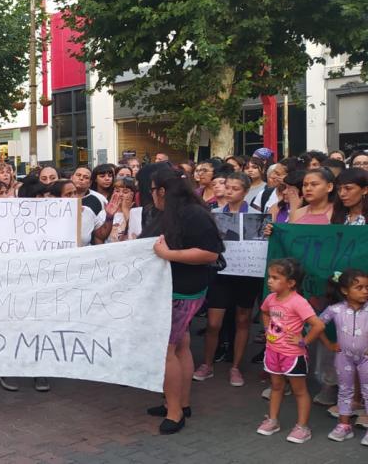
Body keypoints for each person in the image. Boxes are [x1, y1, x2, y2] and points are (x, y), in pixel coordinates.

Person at [143, 168, 224, 435]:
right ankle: (181, 402)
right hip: (173, 289)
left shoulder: (193, 214)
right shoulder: (172, 212)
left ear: (162, 191)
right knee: (181, 345)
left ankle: (175, 412)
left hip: (182, 291)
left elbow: (210, 253)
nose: (151, 195)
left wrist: (169, 254)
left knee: (166, 351)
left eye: (152, 190)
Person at [193, 173, 264, 387]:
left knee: (243, 320)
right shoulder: (213, 214)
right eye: (228, 187)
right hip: (220, 273)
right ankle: (207, 364)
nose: (230, 191)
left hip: (246, 274)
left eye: (235, 188)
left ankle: (235, 367)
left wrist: (268, 231)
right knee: (214, 323)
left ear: (245, 192)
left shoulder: (255, 215)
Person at [256, 258, 325, 443]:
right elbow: (264, 312)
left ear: (291, 282)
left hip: (293, 355)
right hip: (273, 352)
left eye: (275, 277)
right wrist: (267, 329)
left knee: (299, 391)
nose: (269, 281)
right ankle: (272, 420)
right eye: (269, 277)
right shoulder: (270, 298)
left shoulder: (298, 302)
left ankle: (302, 427)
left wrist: (303, 342)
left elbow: (318, 325)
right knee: (276, 387)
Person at [319, 268, 368, 444]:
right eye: (359, 287)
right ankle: (344, 426)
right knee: (345, 390)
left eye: (367, 287)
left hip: (366, 358)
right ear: (345, 291)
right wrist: (328, 344)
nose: (365, 291)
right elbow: (316, 325)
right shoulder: (335, 310)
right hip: (343, 357)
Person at [93, 175, 140, 244]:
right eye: (117, 191)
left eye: (125, 192)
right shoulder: (104, 213)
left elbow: (137, 234)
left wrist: (126, 210)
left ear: (133, 194)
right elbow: (99, 237)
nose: (120, 194)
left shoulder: (138, 212)